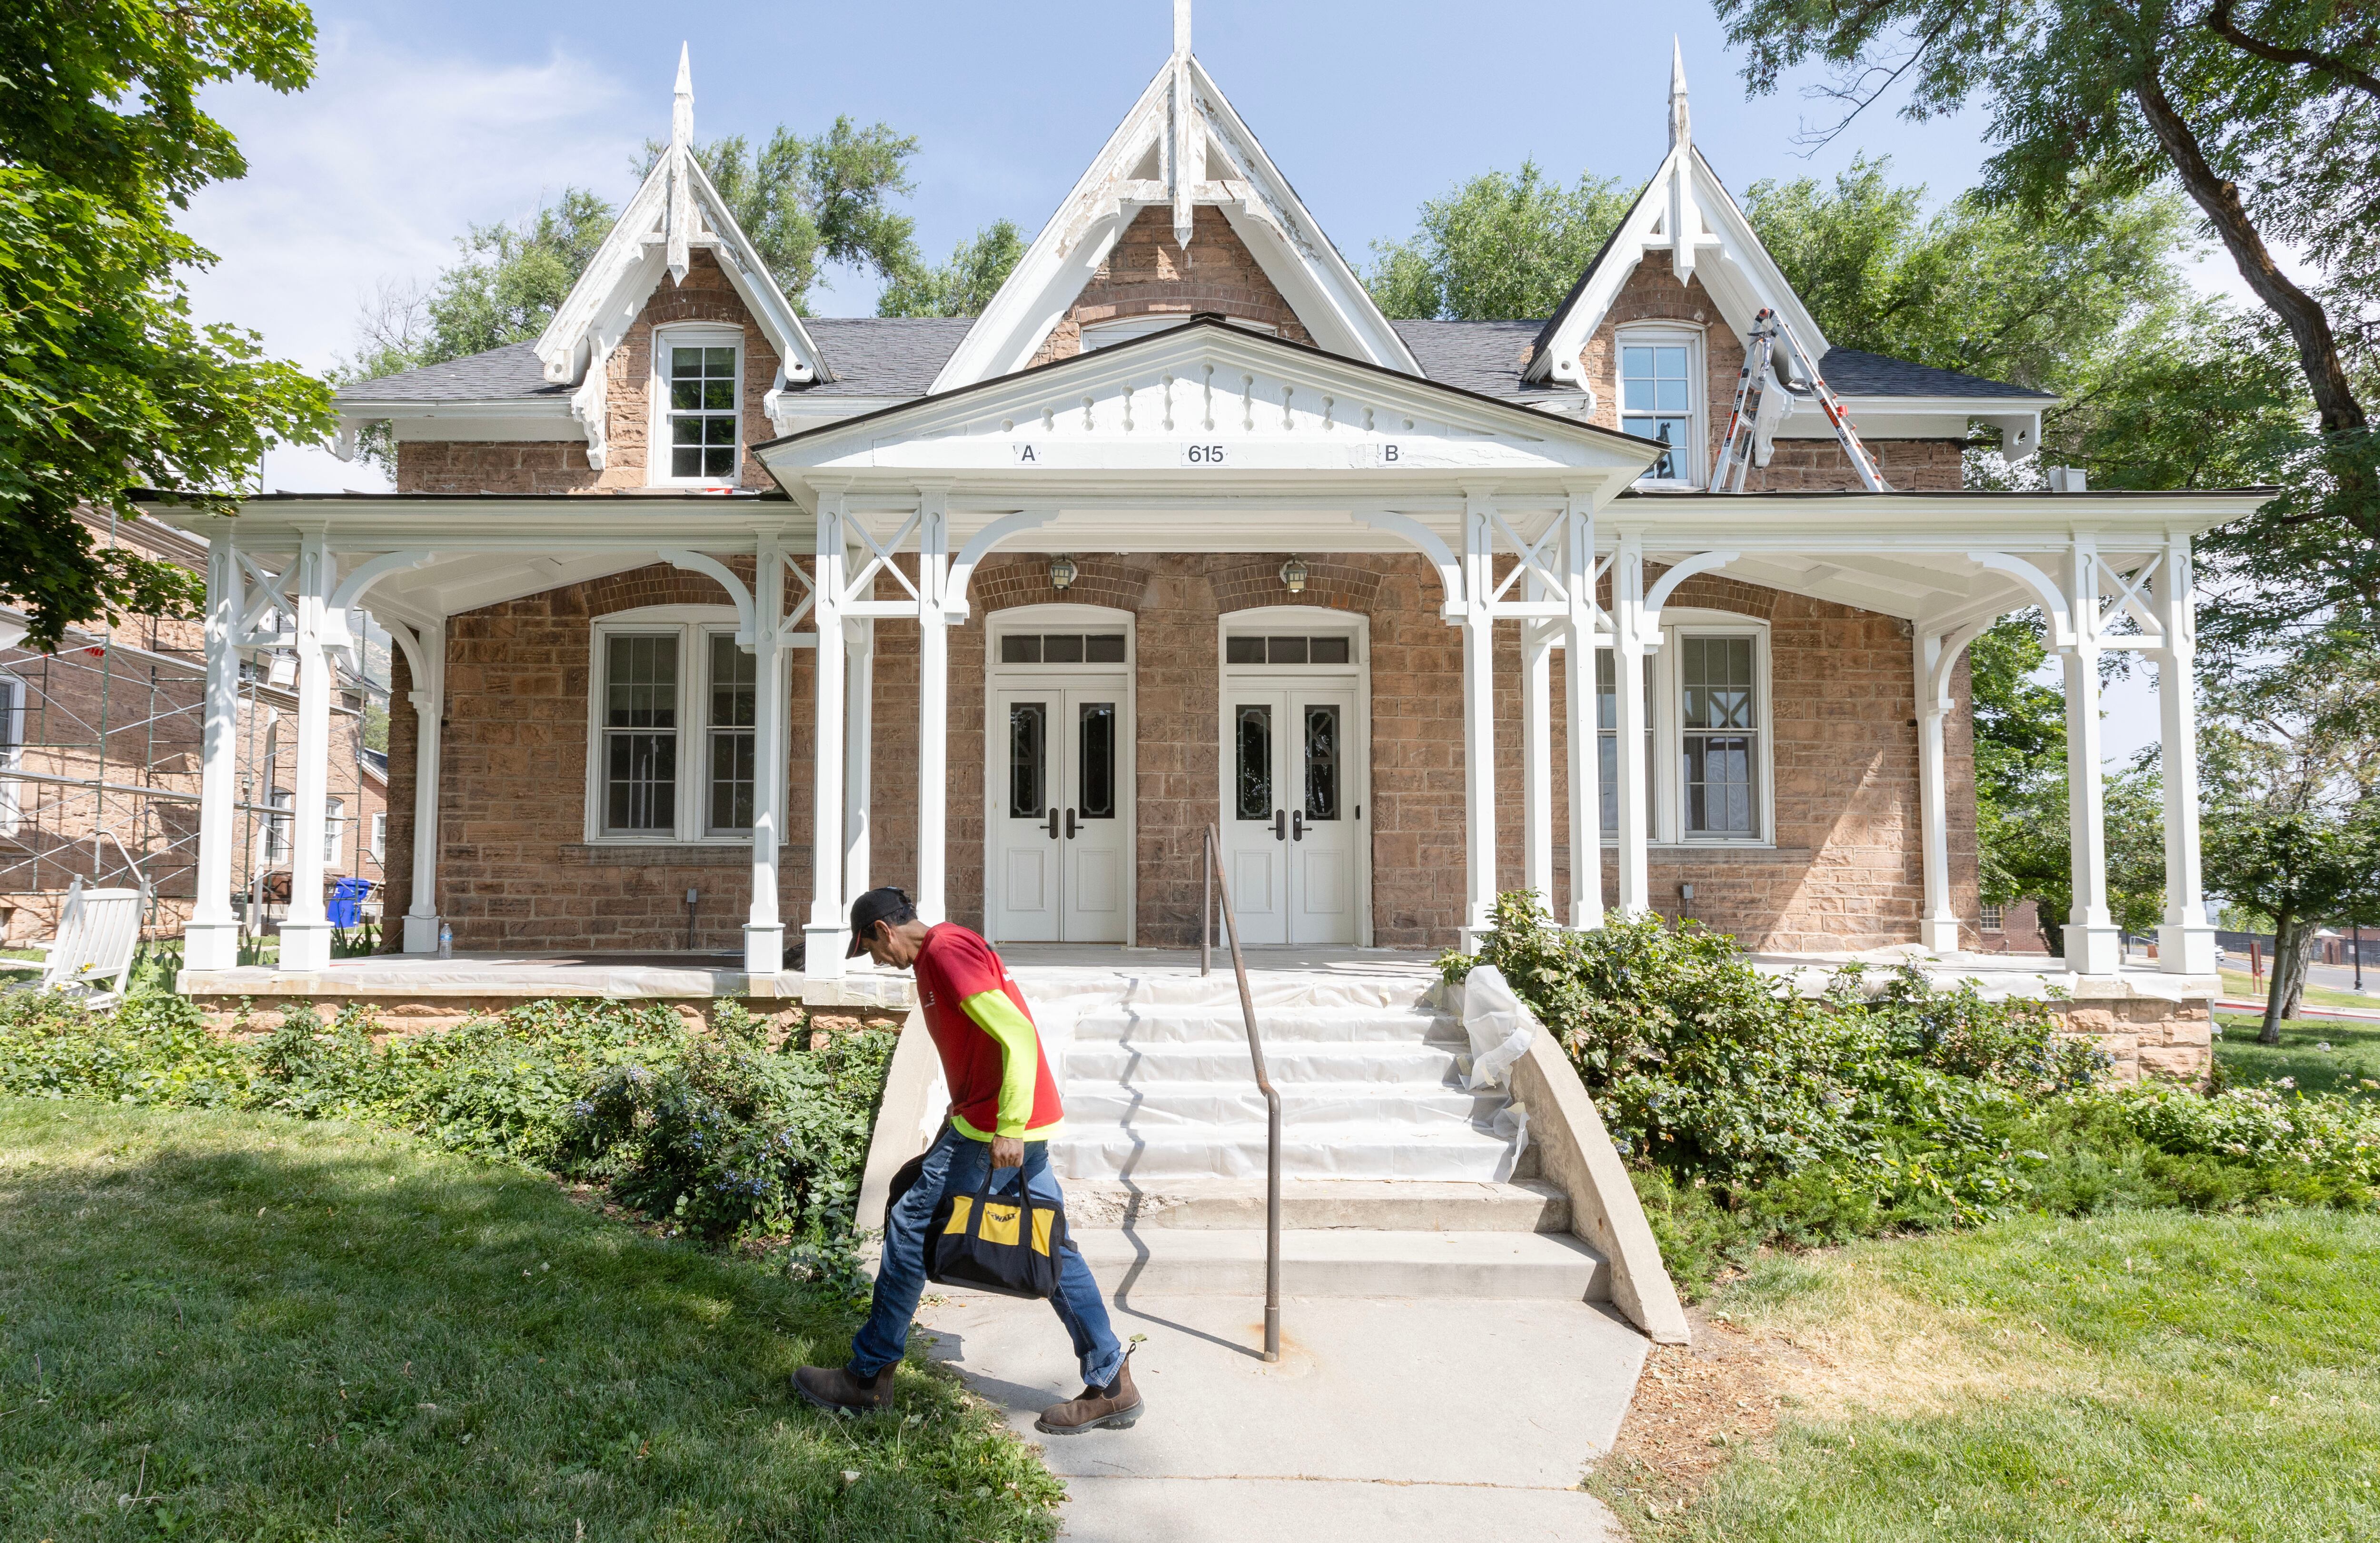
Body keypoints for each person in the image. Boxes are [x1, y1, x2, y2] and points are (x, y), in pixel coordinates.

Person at [793, 887, 1142, 1434]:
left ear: (884, 930)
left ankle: (867, 1377)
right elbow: (977, 1042)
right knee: (1050, 1245)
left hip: (995, 1128)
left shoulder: (946, 955)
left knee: (910, 1224)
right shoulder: (944, 950)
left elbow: (1018, 1036)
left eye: (870, 950)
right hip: (989, 1118)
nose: (878, 963)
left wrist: (1007, 1125)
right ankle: (1113, 1381)